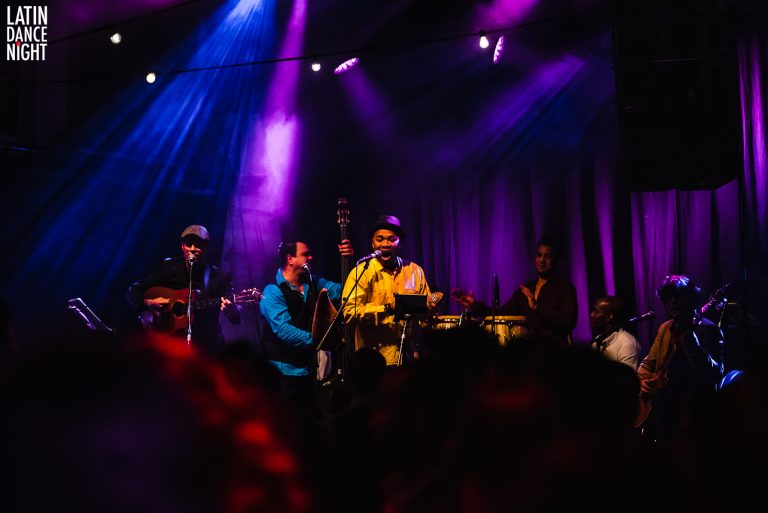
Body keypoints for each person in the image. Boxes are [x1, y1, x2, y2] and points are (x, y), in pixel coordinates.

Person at [259, 239, 353, 412]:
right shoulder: (272, 291)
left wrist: (350, 262)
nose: (311, 257)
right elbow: (283, 330)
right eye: (305, 254)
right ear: (290, 259)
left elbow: (346, 291)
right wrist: (319, 340)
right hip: (283, 372)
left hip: (307, 369)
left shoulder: (313, 283)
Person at [125, 225, 241, 356]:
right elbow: (133, 291)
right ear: (182, 246)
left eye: (198, 245)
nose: (192, 249)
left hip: (207, 347)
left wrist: (232, 310)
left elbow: (237, 317)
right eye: (188, 244)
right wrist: (149, 303)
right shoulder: (170, 268)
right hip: (171, 345)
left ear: (206, 247)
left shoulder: (219, 276)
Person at [636, 274, 723, 438]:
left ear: (692, 298)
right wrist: (641, 381)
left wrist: (691, 341)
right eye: (668, 297)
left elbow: (714, 373)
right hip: (663, 409)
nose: (673, 301)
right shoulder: (665, 328)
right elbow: (648, 363)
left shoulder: (709, 329)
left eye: (678, 296)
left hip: (693, 411)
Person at [451, 240, 577, 348]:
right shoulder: (526, 290)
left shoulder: (565, 289)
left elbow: (567, 323)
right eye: (539, 255)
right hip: (530, 355)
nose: (542, 260)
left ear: (556, 260)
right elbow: (500, 315)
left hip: (555, 353)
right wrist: (474, 305)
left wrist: (537, 308)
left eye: (547, 256)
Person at [341, 215, 431, 366]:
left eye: (391, 239)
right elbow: (349, 313)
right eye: (380, 239)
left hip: (407, 359)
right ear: (372, 243)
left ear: (400, 243)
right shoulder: (361, 272)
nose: (385, 244)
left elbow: (424, 318)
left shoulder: (415, 271)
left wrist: (430, 310)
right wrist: (387, 309)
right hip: (373, 362)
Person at [589, 295, 641, 369]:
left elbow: (626, 375)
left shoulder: (627, 344)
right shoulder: (597, 341)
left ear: (609, 317)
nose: (591, 315)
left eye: (596, 311)